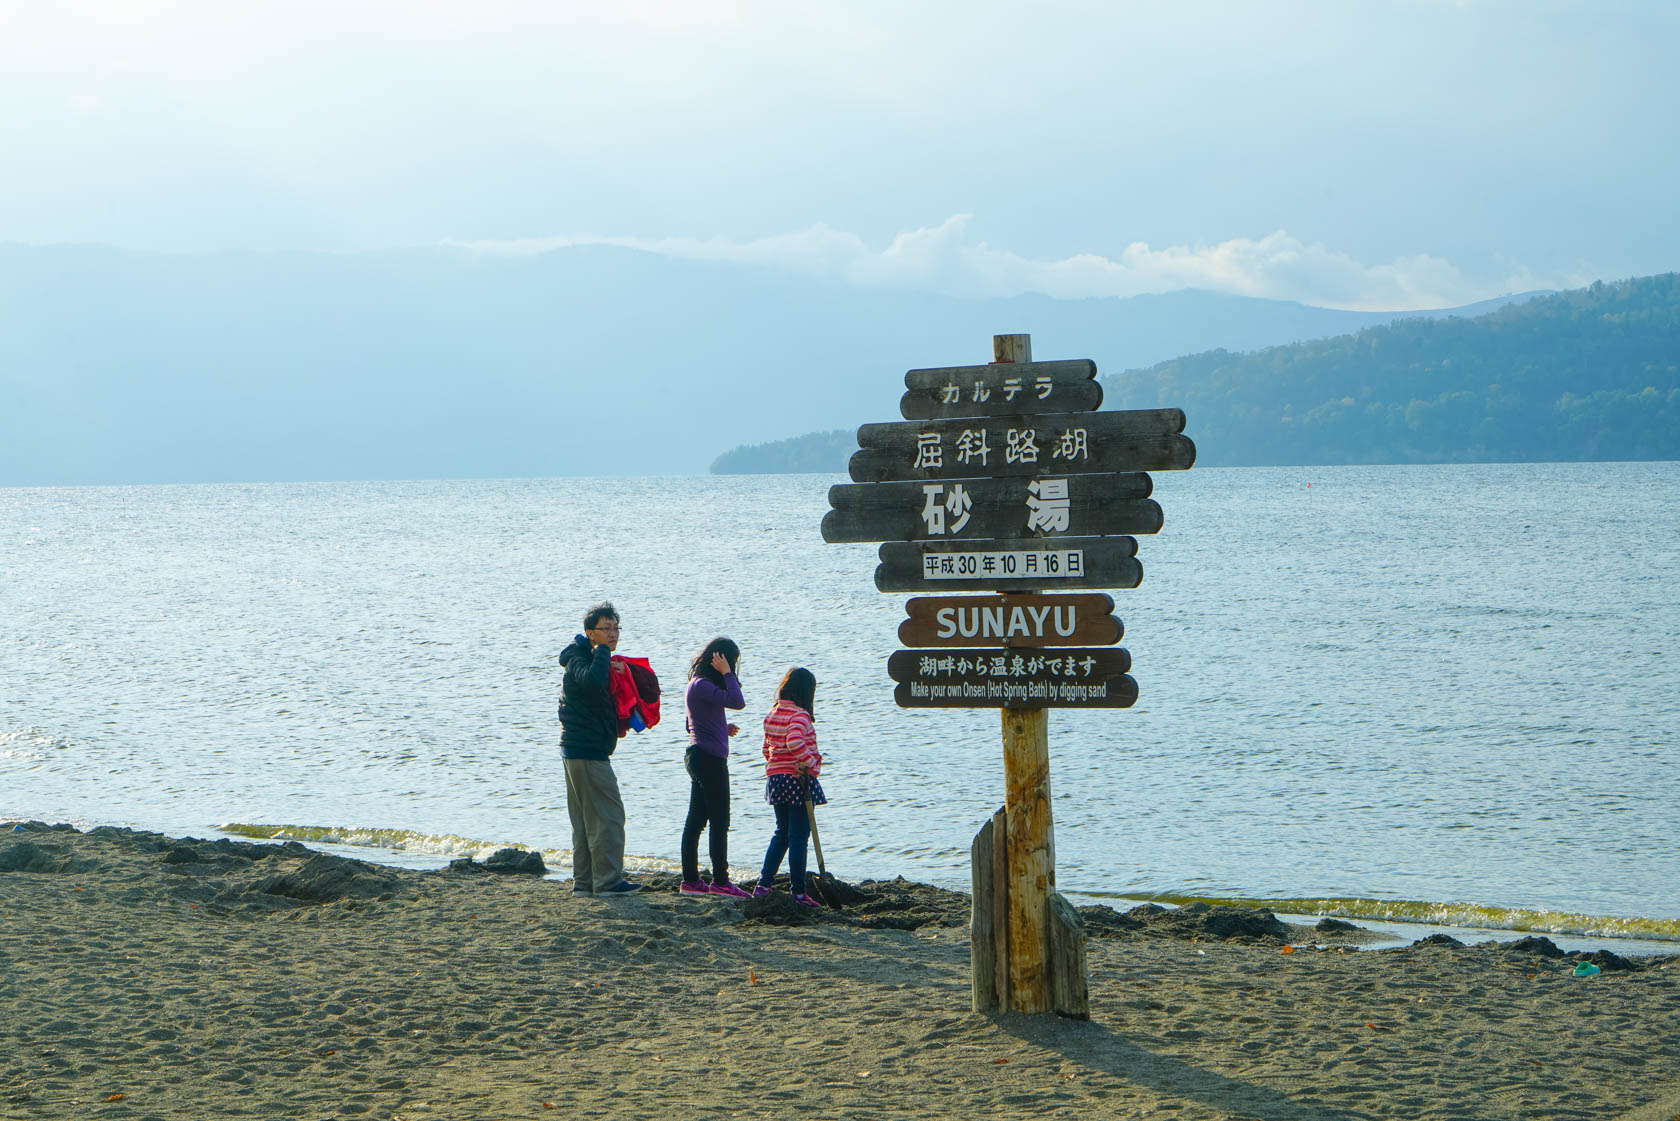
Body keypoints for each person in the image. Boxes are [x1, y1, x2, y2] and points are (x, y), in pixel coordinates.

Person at [557, 601, 640, 895]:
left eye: (615, 628)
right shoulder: (579, 660)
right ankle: (607, 882)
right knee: (609, 817)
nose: (612, 634)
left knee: (585, 821)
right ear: (590, 633)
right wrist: (603, 652)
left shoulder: (585, 656)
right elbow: (591, 681)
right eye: (605, 629)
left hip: (579, 750)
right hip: (586, 751)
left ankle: (585, 883)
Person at [678, 637, 750, 898]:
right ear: (719, 661)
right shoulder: (701, 685)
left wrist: (722, 727)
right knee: (719, 821)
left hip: (700, 756)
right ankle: (720, 881)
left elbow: (691, 725)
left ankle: (691, 881)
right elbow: (737, 700)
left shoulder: (696, 685)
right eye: (732, 662)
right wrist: (727, 673)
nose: (734, 667)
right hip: (708, 760)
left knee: (697, 820)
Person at [753, 667, 825, 909]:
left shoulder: (773, 713)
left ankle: (763, 885)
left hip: (776, 779)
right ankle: (798, 891)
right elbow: (794, 740)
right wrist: (809, 761)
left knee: (782, 833)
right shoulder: (800, 715)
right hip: (797, 781)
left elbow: (766, 749)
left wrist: (778, 764)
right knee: (798, 837)